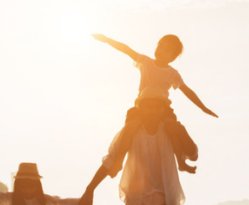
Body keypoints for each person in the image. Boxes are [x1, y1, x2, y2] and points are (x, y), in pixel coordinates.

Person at [92, 33, 217, 175]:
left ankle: (181, 162)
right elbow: (127, 50)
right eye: (160, 46)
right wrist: (107, 40)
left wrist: (203, 108)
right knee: (129, 128)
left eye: (167, 50)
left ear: (172, 58)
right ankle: (119, 161)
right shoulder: (145, 61)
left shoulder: (172, 73)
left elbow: (187, 90)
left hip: (162, 108)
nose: (161, 50)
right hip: (142, 106)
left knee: (172, 128)